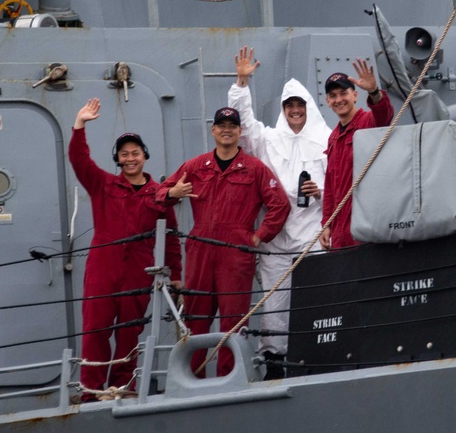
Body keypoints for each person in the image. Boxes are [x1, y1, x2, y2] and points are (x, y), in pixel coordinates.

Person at [156, 105, 290, 377]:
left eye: (232, 125)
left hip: (235, 252)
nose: (227, 129)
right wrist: (174, 191)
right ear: (213, 130)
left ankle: (229, 379)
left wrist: (257, 236)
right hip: (200, 251)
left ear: (240, 132)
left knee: (233, 322)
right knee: (196, 319)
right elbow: (159, 196)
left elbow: (280, 205)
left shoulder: (254, 169)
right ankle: (192, 380)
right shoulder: (195, 166)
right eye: (222, 125)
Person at [68, 98, 182, 400]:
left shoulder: (160, 195)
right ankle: (91, 391)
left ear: (145, 156)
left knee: (129, 333)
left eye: (135, 152)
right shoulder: (102, 185)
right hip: (102, 272)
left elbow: (170, 238)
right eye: (124, 154)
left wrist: (176, 276)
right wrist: (80, 125)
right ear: (117, 159)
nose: (130, 158)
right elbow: (80, 161)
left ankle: (123, 387)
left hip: (138, 274)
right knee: (96, 331)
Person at [227, 46, 329, 379]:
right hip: (275, 243)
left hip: (312, 239)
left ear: (308, 108)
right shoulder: (269, 141)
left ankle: (318, 357)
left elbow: (344, 186)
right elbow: (246, 125)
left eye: (300, 105)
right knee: (273, 307)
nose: (295, 111)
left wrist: (321, 193)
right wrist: (241, 85)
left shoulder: (327, 141)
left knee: (317, 301)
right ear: (284, 110)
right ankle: (274, 364)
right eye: (290, 106)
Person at [320, 58, 394, 250]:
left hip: (367, 227)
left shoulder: (368, 122)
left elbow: (384, 115)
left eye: (343, 93)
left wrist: (374, 92)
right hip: (340, 232)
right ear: (327, 101)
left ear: (354, 95)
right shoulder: (333, 138)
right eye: (333, 96)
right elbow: (330, 186)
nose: (339, 100)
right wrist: (326, 223)